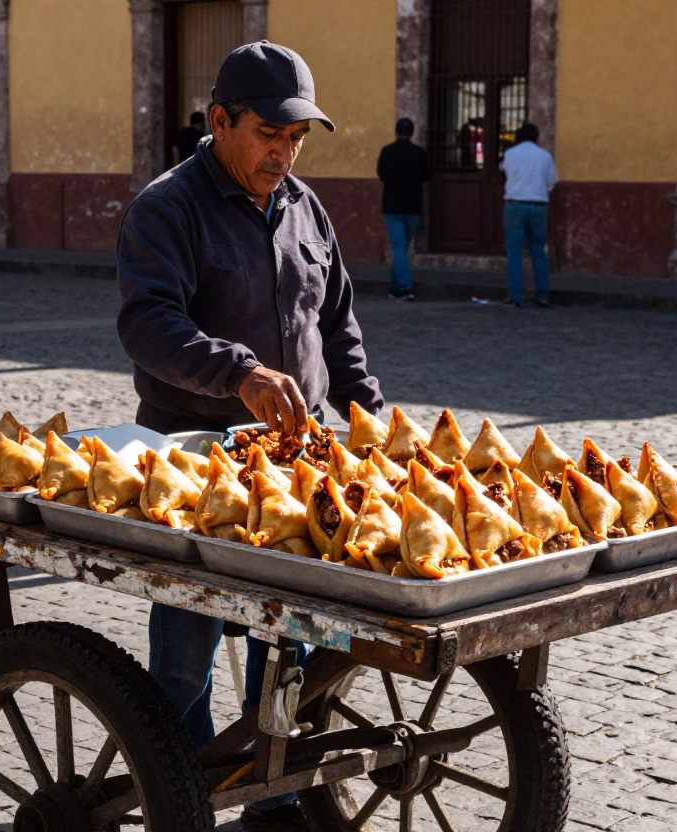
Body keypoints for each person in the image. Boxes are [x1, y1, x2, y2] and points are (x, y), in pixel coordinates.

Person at [117, 40, 383, 832]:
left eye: (298, 138)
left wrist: (367, 411)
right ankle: (184, 789)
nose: (285, 151)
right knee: (187, 651)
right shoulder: (167, 207)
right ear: (219, 121)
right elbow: (146, 323)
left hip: (293, 469)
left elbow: (338, 323)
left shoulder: (305, 206)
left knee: (287, 639)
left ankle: (275, 794)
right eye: (271, 134)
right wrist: (240, 374)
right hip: (194, 466)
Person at [499, 122, 556, 307]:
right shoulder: (545, 156)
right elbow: (552, 182)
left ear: (518, 137)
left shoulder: (510, 154)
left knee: (514, 252)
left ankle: (516, 297)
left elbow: (504, 172)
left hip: (515, 204)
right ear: (536, 137)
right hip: (538, 205)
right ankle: (543, 295)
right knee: (538, 251)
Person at [376, 117, 429, 301]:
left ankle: (402, 288)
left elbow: (381, 174)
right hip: (412, 207)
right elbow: (425, 176)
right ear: (412, 133)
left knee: (399, 248)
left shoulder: (387, 151)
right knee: (402, 248)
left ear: (397, 132)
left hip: (392, 206)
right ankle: (398, 287)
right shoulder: (420, 153)